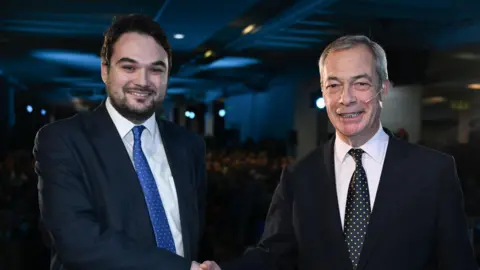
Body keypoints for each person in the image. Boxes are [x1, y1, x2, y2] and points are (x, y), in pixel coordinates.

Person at [200, 35, 478, 270]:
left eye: (361, 83)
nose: (346, 98)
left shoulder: (433, 172)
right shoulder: (299, 176)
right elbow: (272, 255)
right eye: (334, 85)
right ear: (323, 91)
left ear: (383, 88)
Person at [34, 14, 206, 270]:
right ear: (105, 70)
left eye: (156, 69)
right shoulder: (62, 140)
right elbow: (77, 241)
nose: (143, 81)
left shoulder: (189, 145)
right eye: (129, 67)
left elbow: (194, 235)